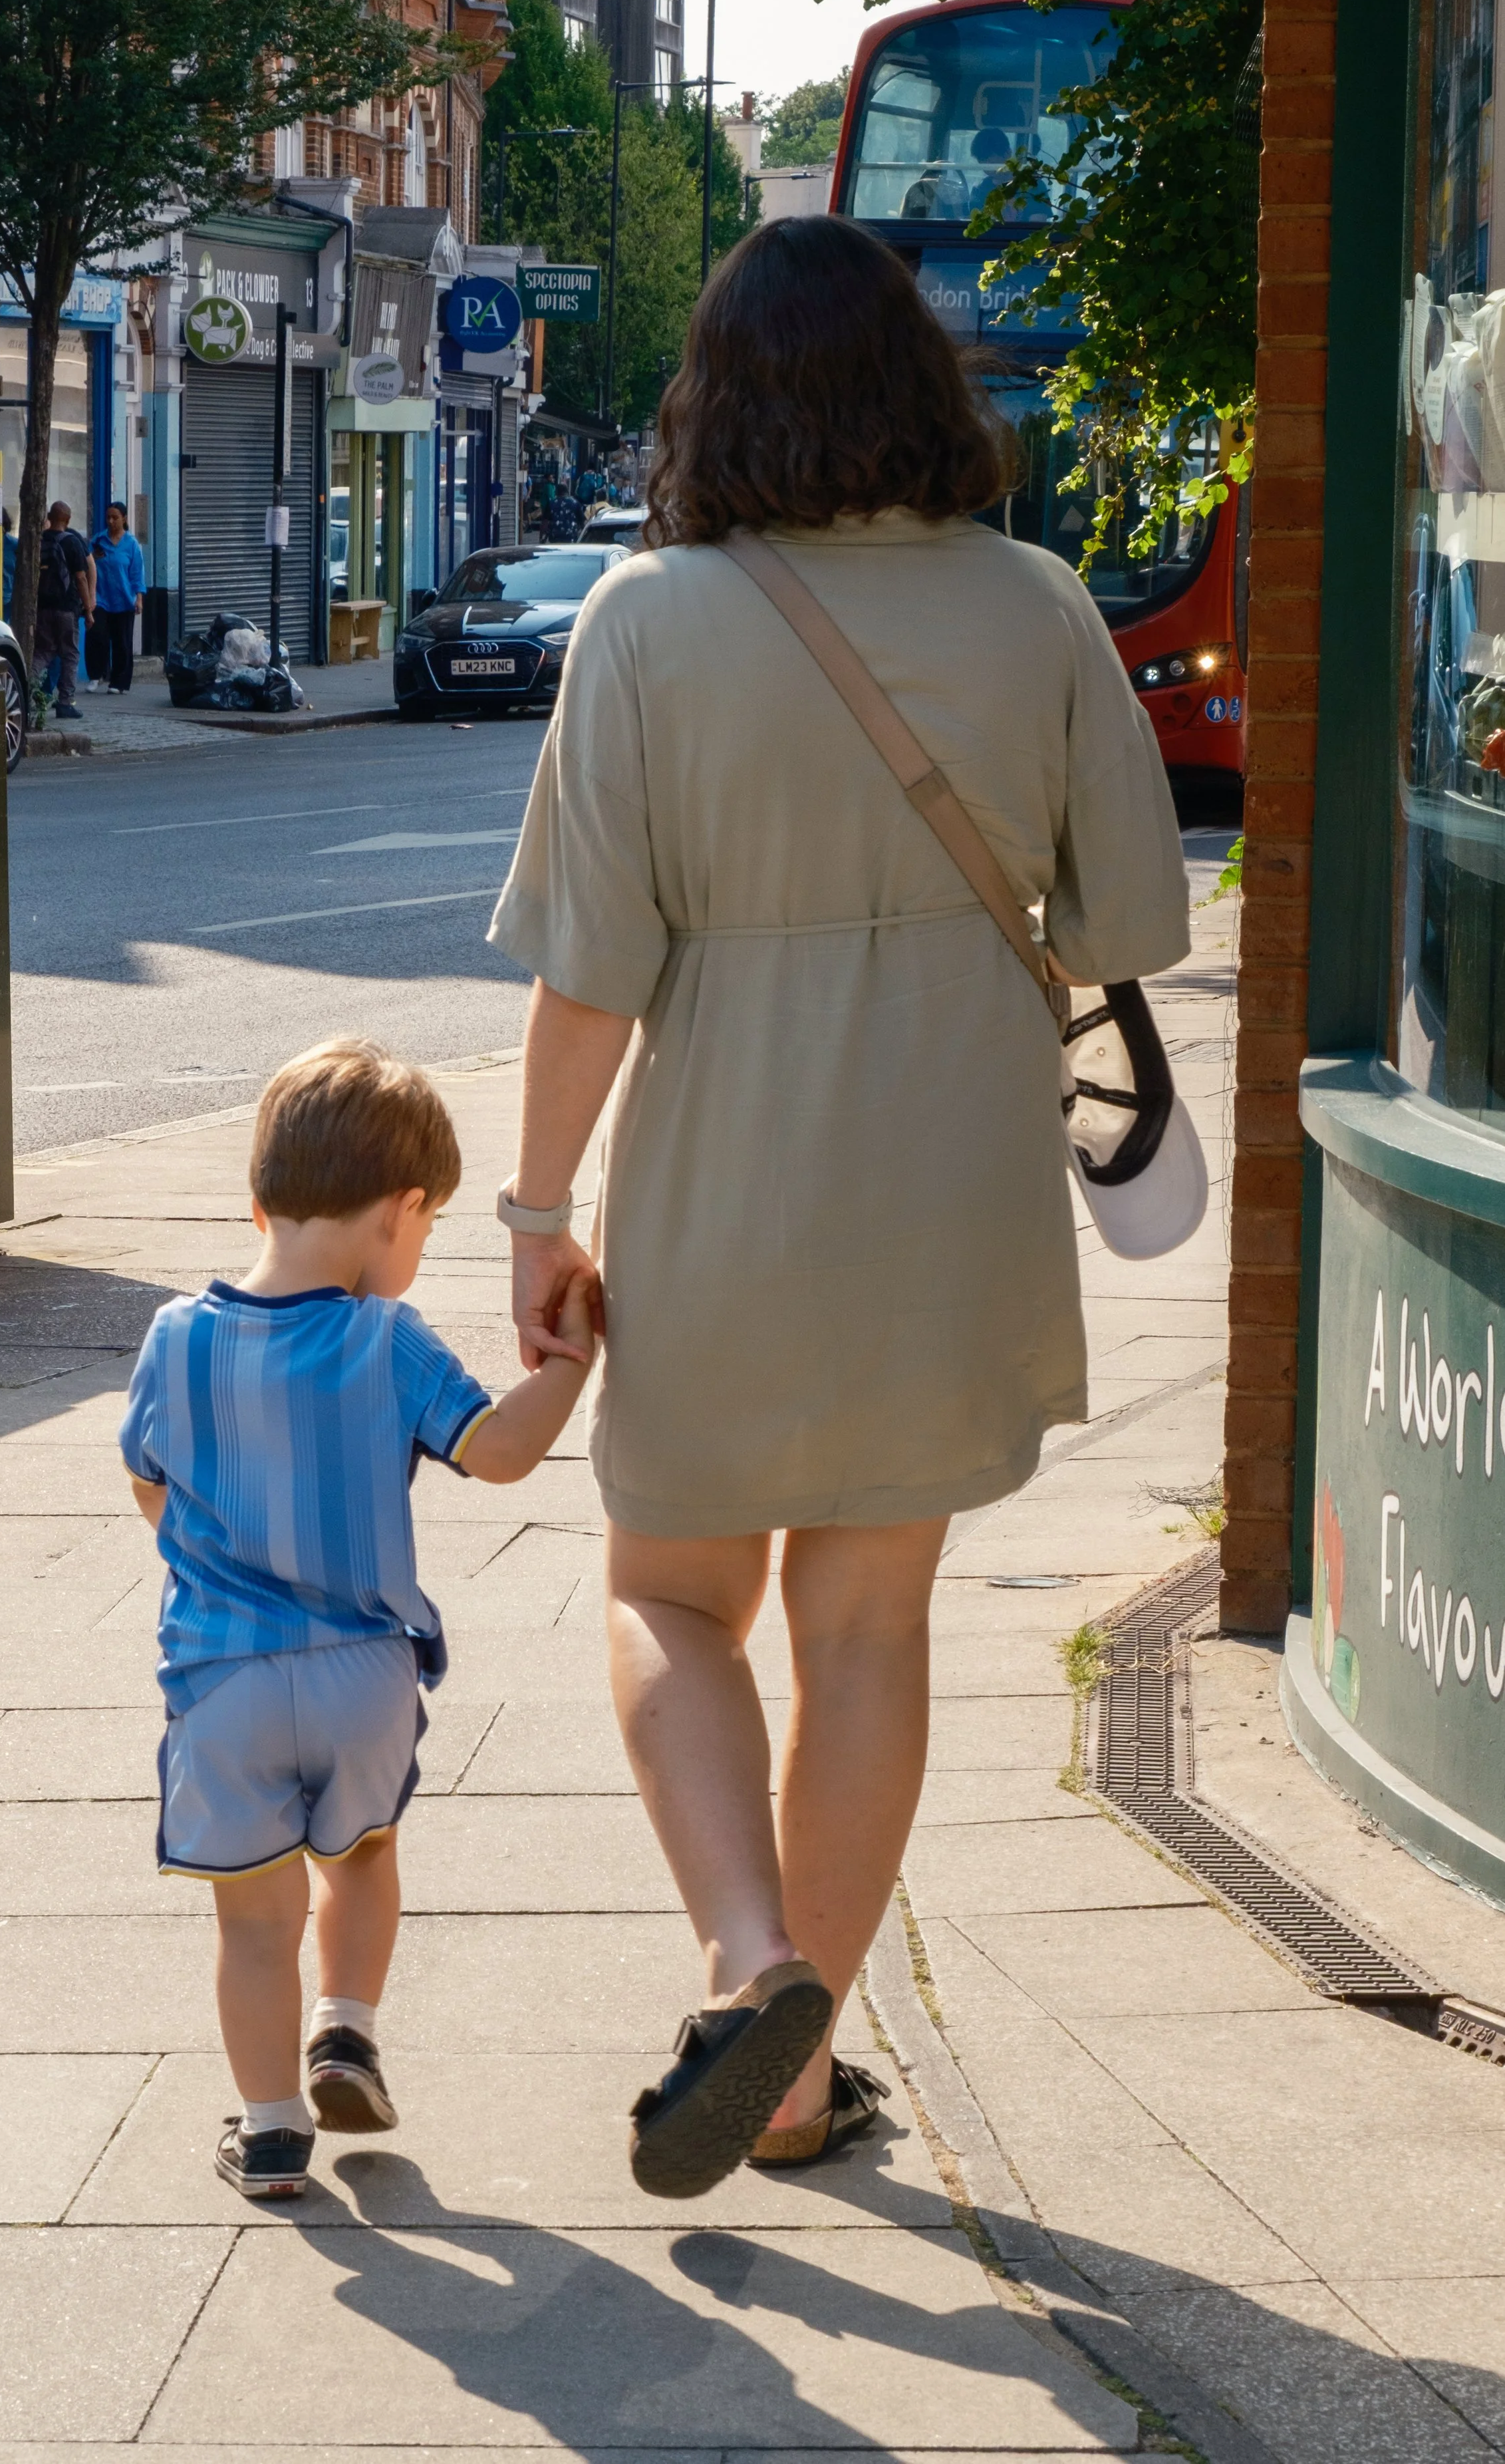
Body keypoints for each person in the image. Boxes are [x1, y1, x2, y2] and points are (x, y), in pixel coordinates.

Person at [487, 214, 1190, 2200]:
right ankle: (793, 2080)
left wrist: (538, 1212)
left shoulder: (643, 619)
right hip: (951, 1199)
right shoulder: (1039, 606)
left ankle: (745, 1962)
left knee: (662, 1593)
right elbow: (1132, 921)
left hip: (723, 1188)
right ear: (924, 386)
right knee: (864, 1623)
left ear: (714, 396)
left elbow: (586, 974)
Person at [118, 1038, 595, 2201]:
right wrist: (569, 1367)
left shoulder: (175, 1337)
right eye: (426, 1233)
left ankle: (273, 2128)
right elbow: (499, 1455)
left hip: (224, 1681)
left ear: (258, 1199)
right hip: (364, 1679)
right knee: (366, 1855)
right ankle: (347, 2030)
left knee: (252, 1920)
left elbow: (149, 1483)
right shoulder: (390, 1340)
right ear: (404, 1210)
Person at [33, 500, 94, 718]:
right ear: (67, 520)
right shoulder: (72, 542)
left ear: (49, 516)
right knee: (70, 654)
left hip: (43, 607)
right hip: (67, 608)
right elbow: (81, 578)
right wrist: (88, 609)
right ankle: (65, 702)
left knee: (43, 652)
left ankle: (26, 687)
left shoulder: (39, 541)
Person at [87, 501, 146, 691]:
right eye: (108, 518)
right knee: (97, 635)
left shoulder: (131, 545)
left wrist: (139, 598)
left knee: (122, 642)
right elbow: (87, 565)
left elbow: (137, 573)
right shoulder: (98, 541)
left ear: (124, 519)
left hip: (123, 599)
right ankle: (96, 675)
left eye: (115, 518)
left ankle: (119, 682)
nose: (111, 521)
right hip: (101, 597)